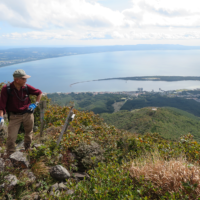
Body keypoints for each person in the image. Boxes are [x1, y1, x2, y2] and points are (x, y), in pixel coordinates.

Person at [0, 69, 42, 155]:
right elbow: (2, 105)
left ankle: (27, 148)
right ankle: (10, 154)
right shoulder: (6, 89)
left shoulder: (26, 87)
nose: (26, 81)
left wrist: (35, 104)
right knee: (11, 137)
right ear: (17, 80)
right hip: (15, 116)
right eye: (24, 79)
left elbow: (39, 92)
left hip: (28, 114)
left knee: (29, 132)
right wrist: (1, 117)